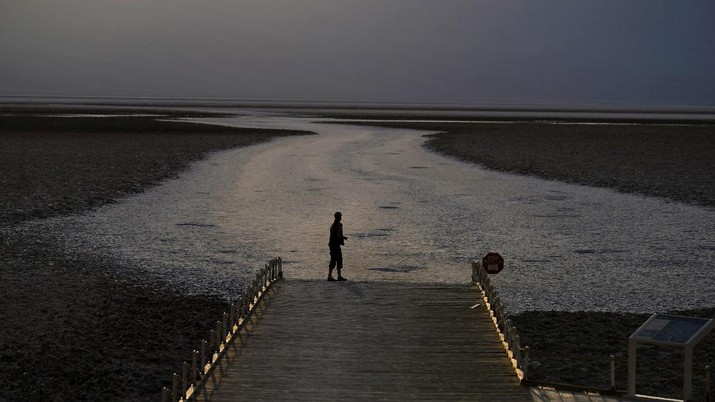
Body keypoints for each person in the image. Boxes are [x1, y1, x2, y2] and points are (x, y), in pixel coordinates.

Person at [327, 211, 348, 281]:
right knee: (339, 259)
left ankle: (329, 276)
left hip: (331, 244)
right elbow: (338, 235)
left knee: (333, 259)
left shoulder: (332, 225)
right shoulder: (339, 225)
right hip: (336, 244)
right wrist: (343, 238)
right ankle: (339, 276)